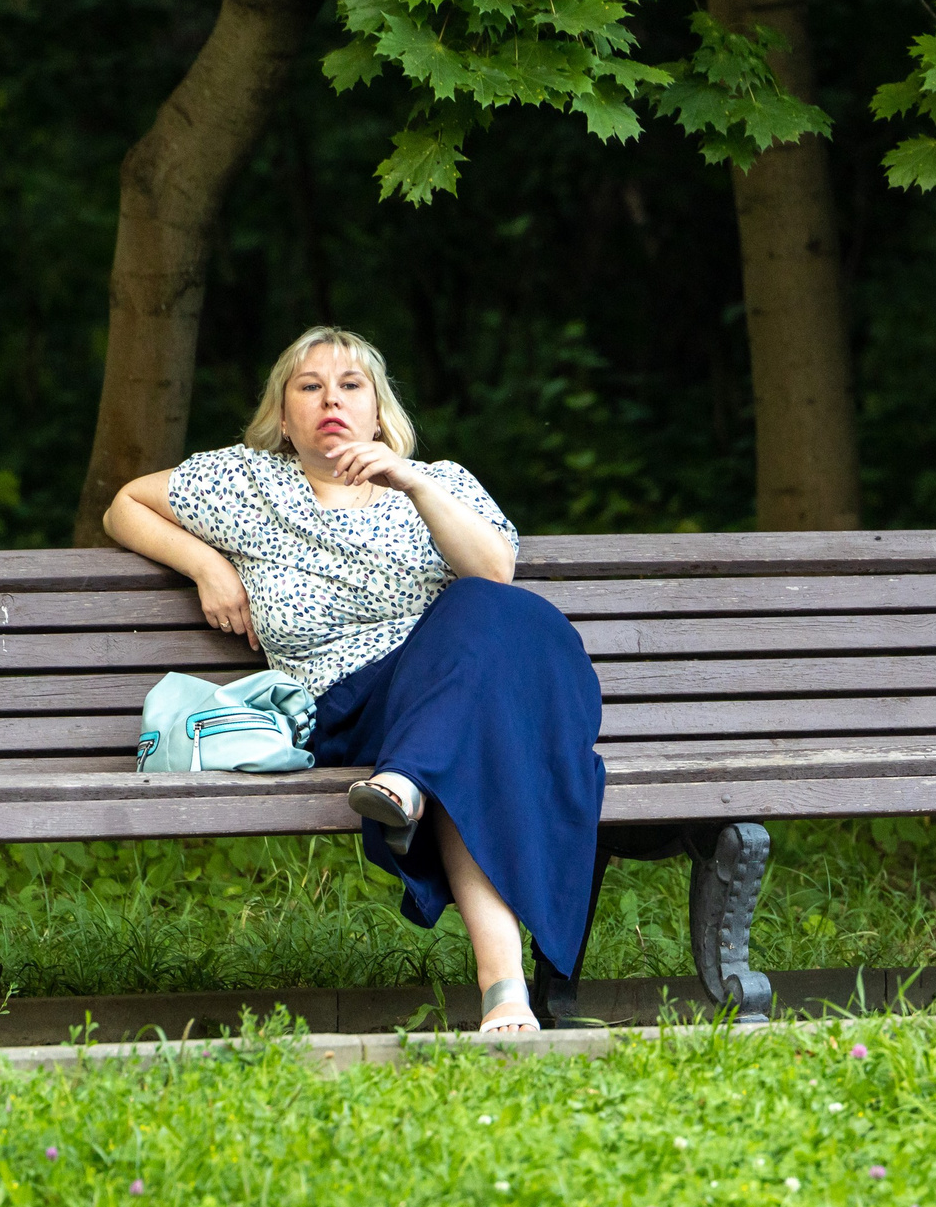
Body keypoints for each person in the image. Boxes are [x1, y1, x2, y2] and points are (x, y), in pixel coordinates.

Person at [102, 325, 605, 1033]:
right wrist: (207, 566)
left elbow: (495, 573)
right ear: (284, 415)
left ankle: (503, 985)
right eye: (309, 387)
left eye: (350, 386)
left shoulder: (442, 482)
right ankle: (424, 808)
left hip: (453, 697)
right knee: (468, 730)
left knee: (481, 612)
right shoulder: (245, 482)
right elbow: (123, 503)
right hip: (351, 705)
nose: (330, 400)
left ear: (378, 411)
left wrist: (413, 482)